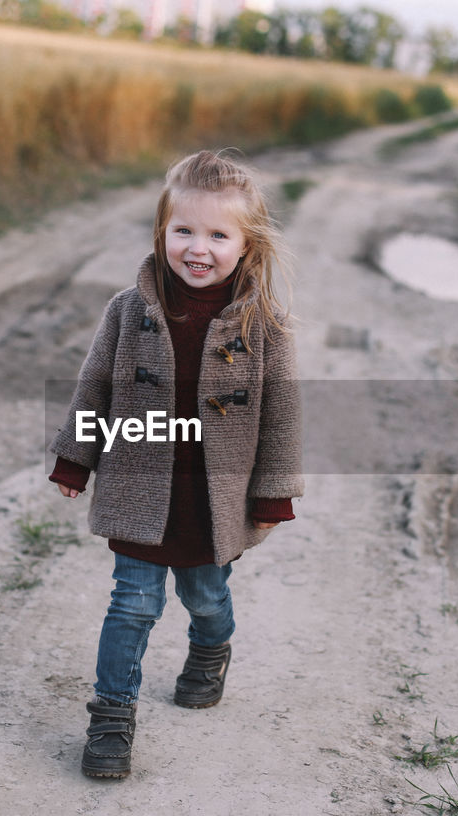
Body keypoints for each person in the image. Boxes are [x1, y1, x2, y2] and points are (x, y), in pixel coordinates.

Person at [48, 149, 303, 779]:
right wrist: (75, 458)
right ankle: (110, 719)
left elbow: (282, 417)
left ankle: (211, 648)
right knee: (132, 604)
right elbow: (95, 387)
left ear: (247, 246)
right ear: (162, 230)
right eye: (184, 230)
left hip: (211, 503)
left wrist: (273, 495)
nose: (198, 248)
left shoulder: (264, 326)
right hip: (139, 495)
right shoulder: (126, 312)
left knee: (206, 596)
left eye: (219, 235)